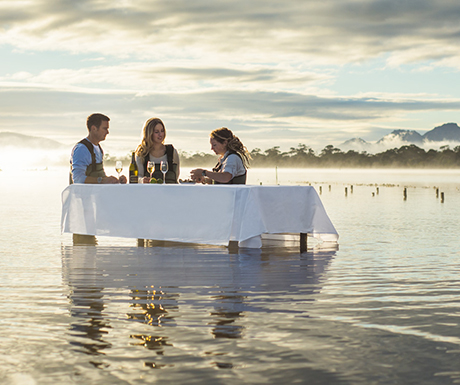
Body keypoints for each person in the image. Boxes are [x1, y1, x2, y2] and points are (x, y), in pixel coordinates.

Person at [70, 113, 127, 184]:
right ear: (94, 128)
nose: (107, 132)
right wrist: (103, 180)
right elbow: (78, 179)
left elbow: (98, 177)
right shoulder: (82, 149)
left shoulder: (98, 148)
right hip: (84, 194)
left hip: (96, 193)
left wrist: (115, 181)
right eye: (105, 128)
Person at [135, 117, 180, 184]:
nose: (160, 134)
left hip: (170, 191)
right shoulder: (142, 153)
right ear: (149, 133)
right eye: (156, 132)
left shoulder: (172, 152)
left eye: (162, 131)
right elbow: (138, 177)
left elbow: (176, 176)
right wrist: (142, 180)